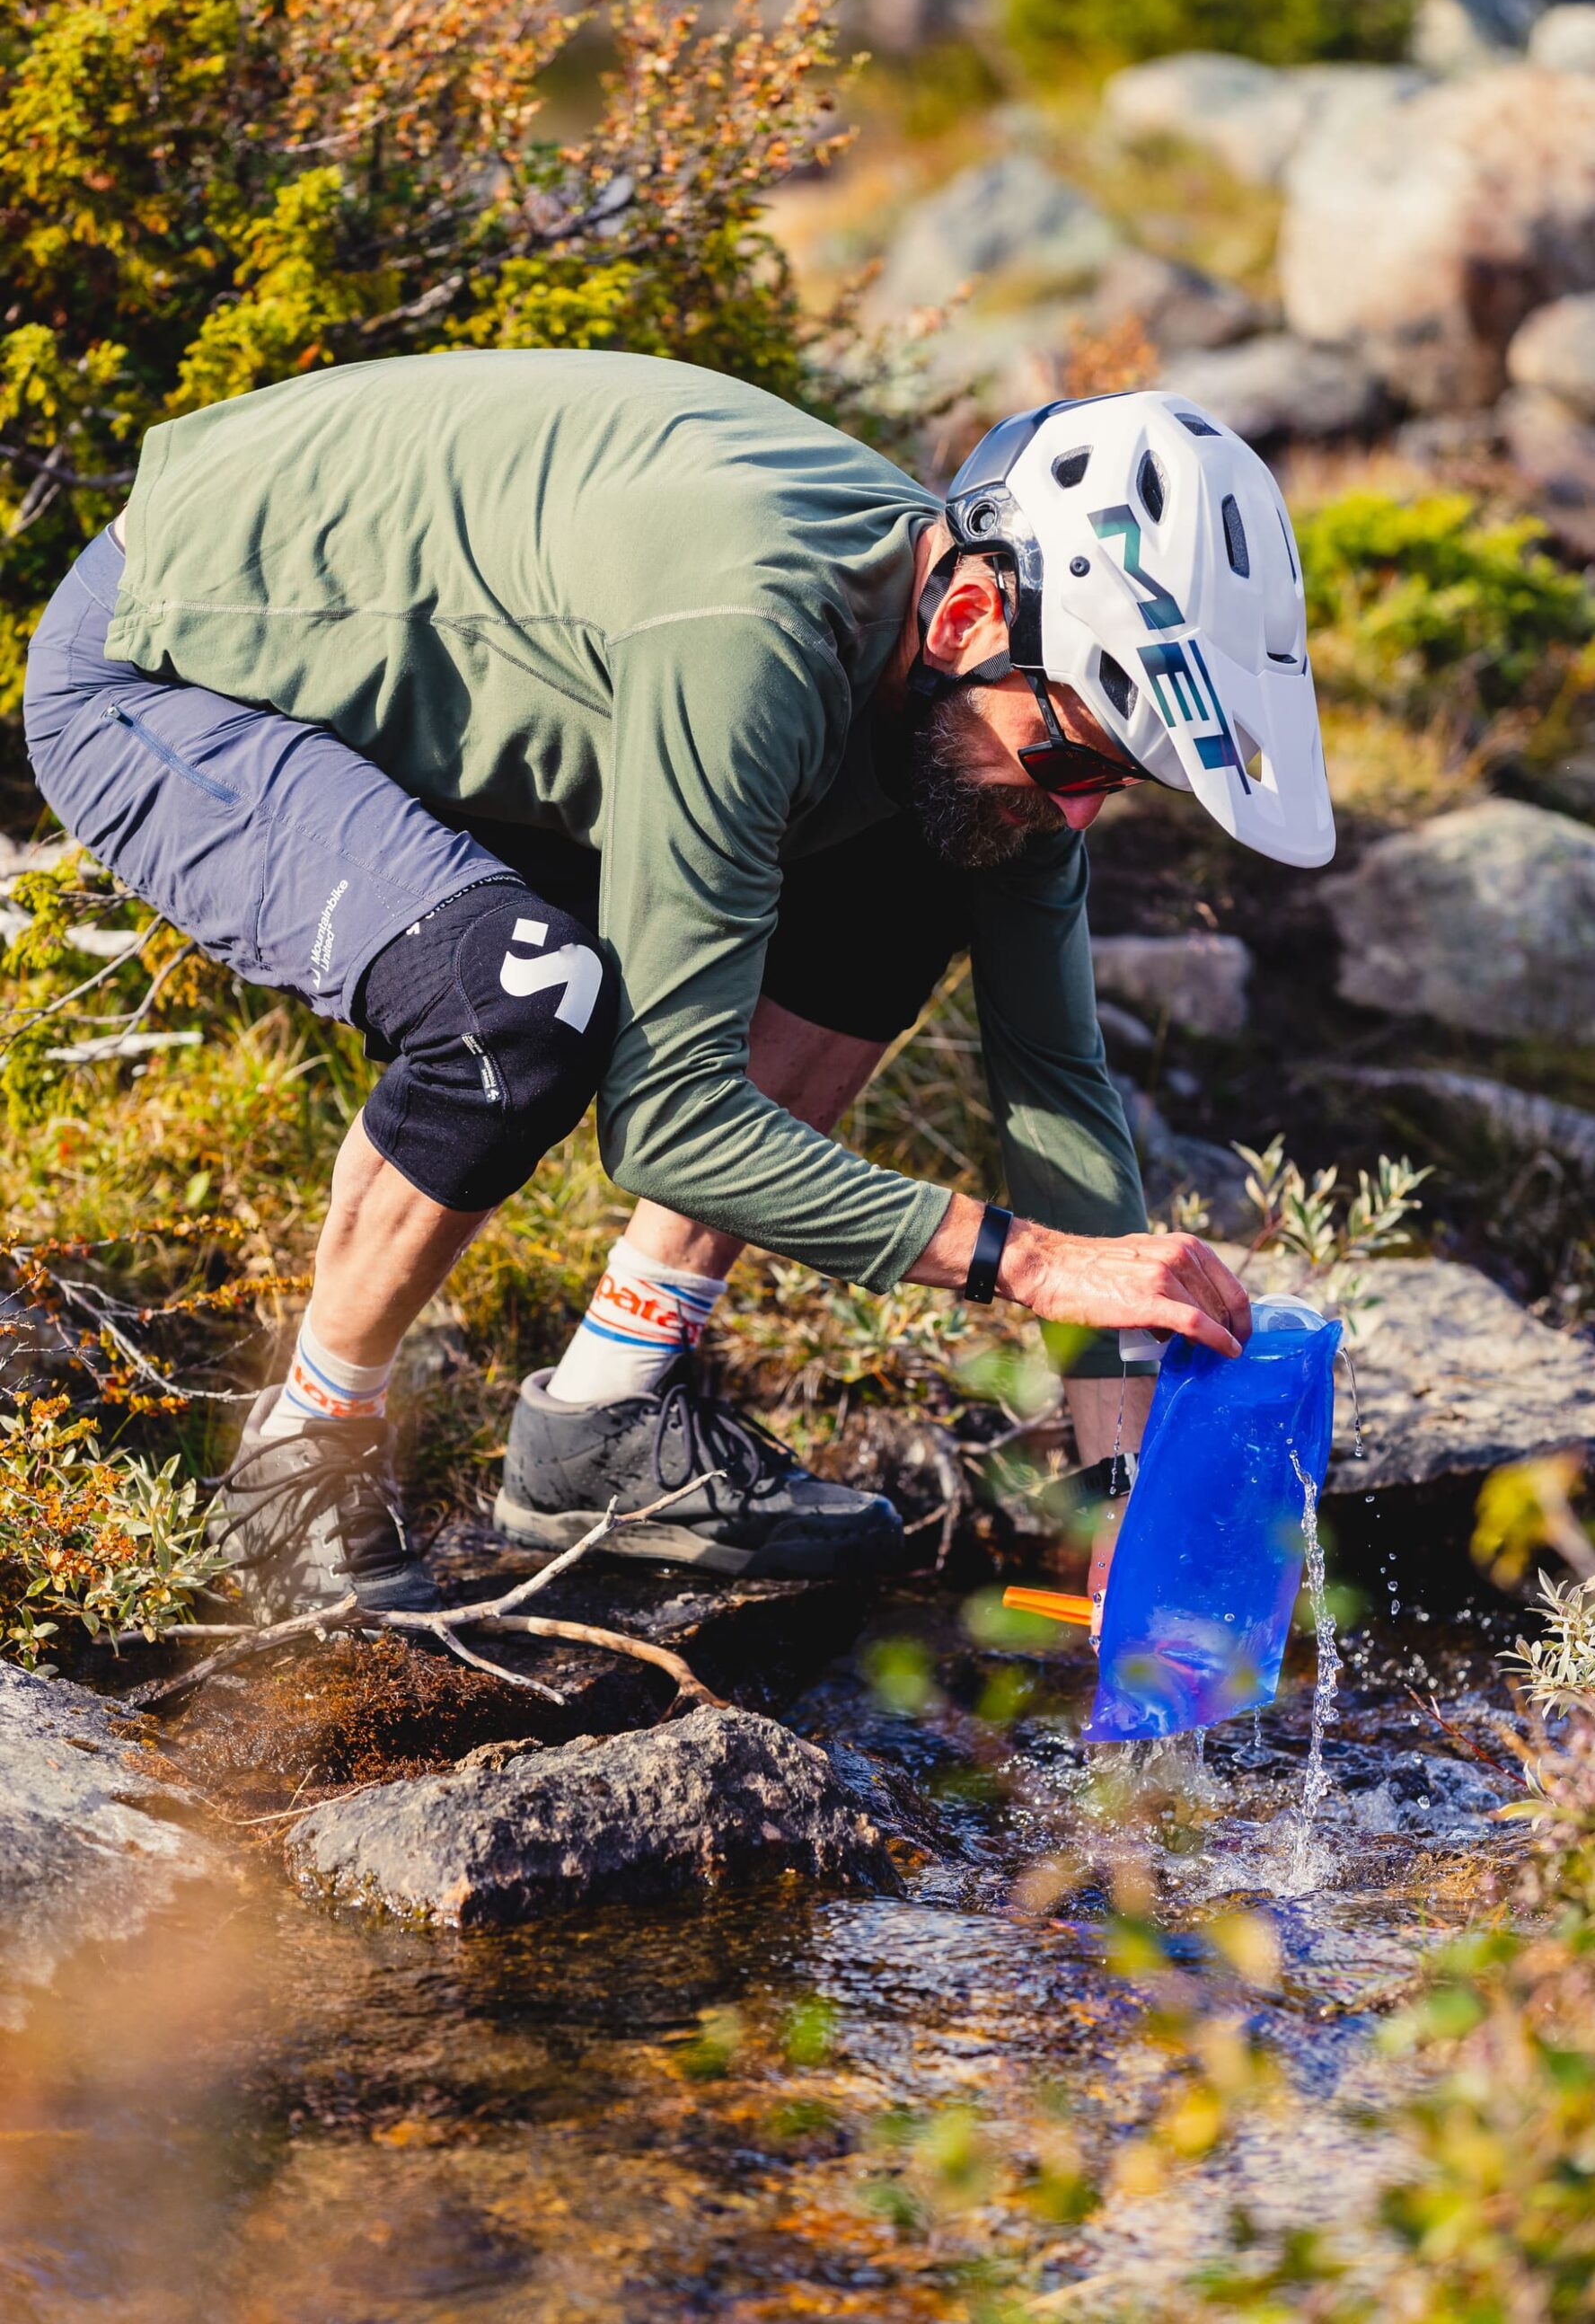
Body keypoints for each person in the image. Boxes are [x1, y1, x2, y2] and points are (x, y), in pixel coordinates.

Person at [22, 354, 1334, 1621]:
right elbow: (674, 1122)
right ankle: (301, 1452)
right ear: (968, 618)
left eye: (1123, 779)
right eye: (1071, 753)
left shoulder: (976, 691)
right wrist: (1029, 1268)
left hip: (479, 680)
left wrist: (1119, 1485)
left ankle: (612, 1411)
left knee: (935, 853)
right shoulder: (751, 637)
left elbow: (1055, 1083)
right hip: (169, 666)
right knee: (524, 1005)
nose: (1084, 812)